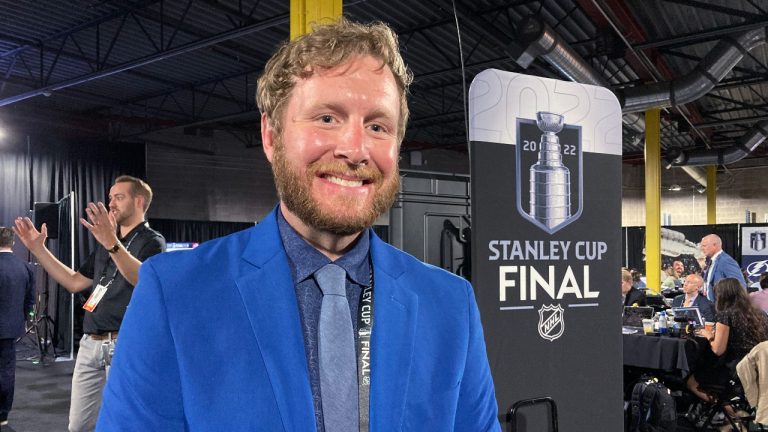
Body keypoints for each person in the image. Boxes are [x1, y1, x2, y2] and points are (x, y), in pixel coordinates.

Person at [97, 18, 499, 432]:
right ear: (271, 137)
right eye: (327, 118)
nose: (355, 149)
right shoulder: (175, 293)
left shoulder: (450, 305)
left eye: (377, 126)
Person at [13, 176, 165, 432]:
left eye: (119, 197)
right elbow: (73, 282)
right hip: (90, 344)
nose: (111, 204)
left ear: (139, 201)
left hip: (123, 344)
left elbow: (143, 279)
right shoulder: (107, 243)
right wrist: (39, 250)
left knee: (123, 422)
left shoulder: (152, 241)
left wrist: (111, 244)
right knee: (78, 425)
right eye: (110, 198)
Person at [687, 278, 768, 405]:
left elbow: (718, 350)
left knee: (691, 380)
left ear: (721, 296)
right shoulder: (760, 314)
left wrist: (709, 335)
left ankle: (734, 414)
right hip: (759, 368)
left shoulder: (725, 315)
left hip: (735, 371)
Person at [0, 228, 36, 428]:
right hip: (11, 328)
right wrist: (26, 320)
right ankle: (3, 414)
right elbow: (30, 302)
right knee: (6, 371)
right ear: (12, 242)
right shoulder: (26, 267)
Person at [700, 234, 745, 302]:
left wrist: (728, 306)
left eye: (704, 246)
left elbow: (740, 285)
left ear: (715, 245)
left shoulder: (726, 261)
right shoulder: (712, 261)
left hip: (723, 307)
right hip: (713, 306)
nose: (702, 248)